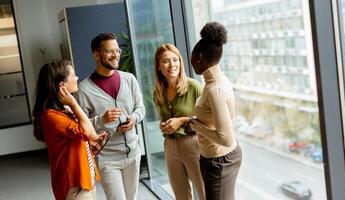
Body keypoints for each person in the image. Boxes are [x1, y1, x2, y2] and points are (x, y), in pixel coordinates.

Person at [74, 32, 145, 200]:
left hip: (133, 153)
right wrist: (101, 120)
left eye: (117, 50)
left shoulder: (129, 79)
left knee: (131, 198)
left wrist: (134, 118)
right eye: (110, 51)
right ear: (96, 55)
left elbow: (140, 108)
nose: (116, 55)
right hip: (108, 159)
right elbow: (81, 127)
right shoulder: (84, 89)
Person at [32, 59, 106, 200]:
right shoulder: (51, 116)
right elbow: (89, 133)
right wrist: (73, 103)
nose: (77, 78)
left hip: (86, 178)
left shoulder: (64, 109)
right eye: (73, 75)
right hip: (75, 185)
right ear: (62, 86)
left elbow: (87, 137)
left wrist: (89, 146)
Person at [188, 22, 242, 200]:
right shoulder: (215, 82)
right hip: (213, 158)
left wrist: (196, 126)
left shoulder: (215, 89)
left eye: (192, 56)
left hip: (219, 161)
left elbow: (226, 139)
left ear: (200, 57)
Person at [153, 44, 205, 200]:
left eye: (175, 60)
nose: (172, 65)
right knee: (180, 195)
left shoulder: (194, 86)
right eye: (166, 61)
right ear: (159, 66)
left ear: (181, 62)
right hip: (170, 147)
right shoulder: (158, 92)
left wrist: (181, 121)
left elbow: (208, 120)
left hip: (193, 144)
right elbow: (165, 119)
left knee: (205, 193)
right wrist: (164, 125)